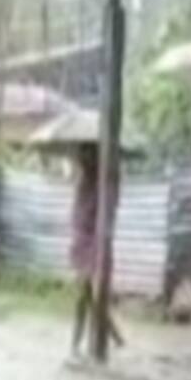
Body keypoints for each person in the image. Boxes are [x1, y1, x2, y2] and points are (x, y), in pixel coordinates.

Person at [69, 143, 124, 358]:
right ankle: (113, 338)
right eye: (80, 155)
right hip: (82, 243)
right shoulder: (83, 181)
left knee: (90, 295)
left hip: (96, 243)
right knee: (89, 296)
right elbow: (77, 215)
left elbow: (108, 210)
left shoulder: (105, 183)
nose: (81, 159)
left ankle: (80, 342)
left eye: (86, 155)